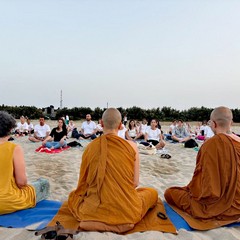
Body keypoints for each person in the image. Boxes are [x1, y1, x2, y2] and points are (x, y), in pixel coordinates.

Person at [68, 108, 158, 232]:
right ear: (121, 126)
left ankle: (94, 221)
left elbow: (83, 184)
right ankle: (121, 223)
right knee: (152, 193)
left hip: (93, 209)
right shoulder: (132, 146)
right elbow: (135, 183)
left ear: (102, 124)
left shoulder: (90, 147)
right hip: (126, 211)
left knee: (73, 196)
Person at [164, 106, 240, 226]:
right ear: (231, 123)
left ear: (213, 124)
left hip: (217, 206)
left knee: (170, 193)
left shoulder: (210, 144)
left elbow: (203, 185)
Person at [0, 111, 50, 215]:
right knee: (43, 183)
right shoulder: (14, 149)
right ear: (10, 129)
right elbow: (21, 182)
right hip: (6, 201)